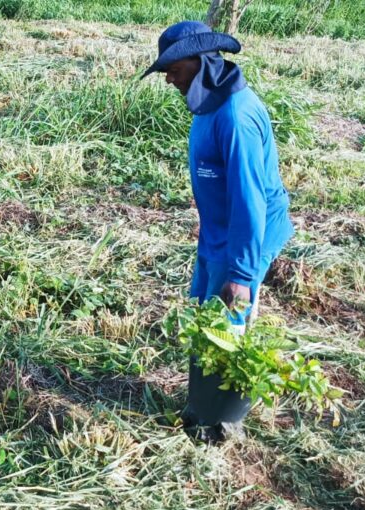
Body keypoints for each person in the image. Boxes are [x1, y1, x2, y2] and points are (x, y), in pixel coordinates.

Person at [141, 21, 294, 443]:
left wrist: (242, 276)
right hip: (218, 231)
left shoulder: (236, 117)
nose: (169, 78)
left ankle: (222, 425)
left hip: (247, 235)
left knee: (228, 323)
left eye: (174, 68)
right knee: (204, 317)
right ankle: (201, 404)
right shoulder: (206, 104)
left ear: (201, 61)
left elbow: (251, 201)